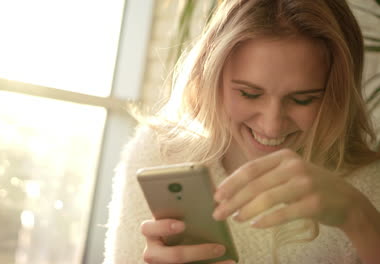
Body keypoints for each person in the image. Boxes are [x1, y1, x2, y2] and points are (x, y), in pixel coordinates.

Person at [103, 0, 380, 263]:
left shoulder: (368, 184)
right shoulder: (160, 154)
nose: (272, 125)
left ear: (336, 92)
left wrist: (357, 216)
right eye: (249, 93)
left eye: (302, 99)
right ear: (212, 75)